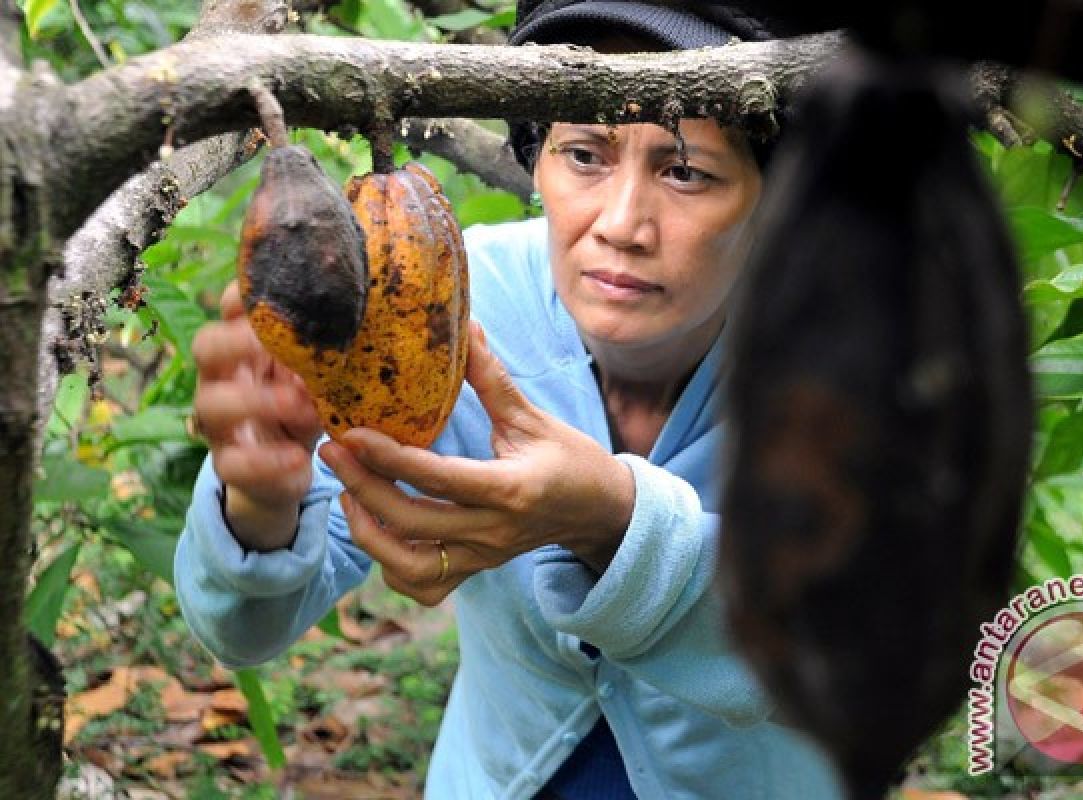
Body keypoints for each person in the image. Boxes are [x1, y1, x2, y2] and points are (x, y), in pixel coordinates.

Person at [175, 2, 845, 797]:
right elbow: (243, 632)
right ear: (537, 158)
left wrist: (613, 525)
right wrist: (259, 506)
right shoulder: (431, 302)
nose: (622, 225)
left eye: (685, 169)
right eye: (585, 153)